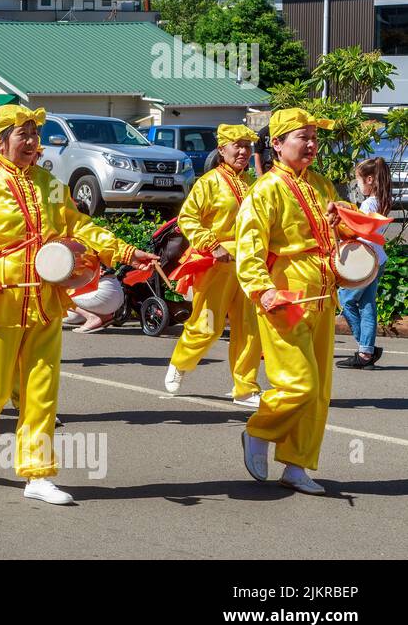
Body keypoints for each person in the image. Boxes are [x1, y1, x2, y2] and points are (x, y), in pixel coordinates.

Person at [0, 104, 158, 505]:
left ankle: (37, 475)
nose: (33, 142)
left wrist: (125, 251)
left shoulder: (51, 184)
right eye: (24, 134)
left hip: (45, 299)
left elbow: (80, 226)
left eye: (35, 134)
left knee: (42, 390)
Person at [236, 109, 348, 495]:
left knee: (319, 390)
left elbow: (343, 231)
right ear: (278, 144)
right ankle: (259, 429)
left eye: (315, 138)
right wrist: (262, 289)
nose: (312, 144)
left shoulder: (321, 185)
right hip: (285, 296)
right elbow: (249, 249)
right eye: (303, 137)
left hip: (323, 293)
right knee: (299, 383)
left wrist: (342, 221)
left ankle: (297, 464)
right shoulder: (264, 190)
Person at [164, 124, 265, 407]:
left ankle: (245, 388)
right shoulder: (209, 182)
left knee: (249, 328)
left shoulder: (252, 184)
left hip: (248, 264)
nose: (243, 151)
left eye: (247, 146)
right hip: (216, 263)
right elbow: (188, 219)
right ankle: (180, 363)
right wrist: (213, 244)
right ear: (222, 150)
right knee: (207, 325)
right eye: (238, 145)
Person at [337, 157, 391, 369]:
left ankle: (365, 349)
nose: (357, 184)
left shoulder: (369, 204)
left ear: (369, 179)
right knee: (367, 305)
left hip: (365, 262)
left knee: (346, 300)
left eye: (358, 180)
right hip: (379, 259)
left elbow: (361, 234)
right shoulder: (383, 201)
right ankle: (367, 351)